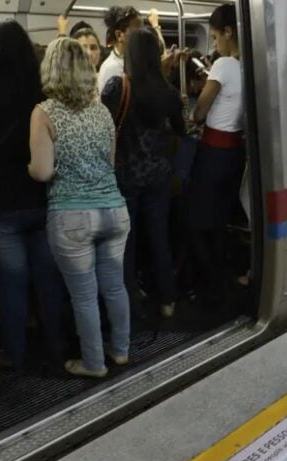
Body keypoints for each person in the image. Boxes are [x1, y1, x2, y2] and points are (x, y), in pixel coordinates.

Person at [0, 18, 68, 369]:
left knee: (11, 284)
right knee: (48, 280)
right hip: (41, 199)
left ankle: (14, 353)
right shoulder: (44, 90)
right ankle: (58, 347)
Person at [29, 38, 130, 378]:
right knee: (115, 287)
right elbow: (110, 163)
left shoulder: (44, 112)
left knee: (84, 297)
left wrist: (29, 168)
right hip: (114, 210)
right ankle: (121, 350)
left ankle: (93, 363)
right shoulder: (102, 111)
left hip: (72, 216)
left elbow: (42, 172)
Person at [102, 28, 184, 320]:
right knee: (159, 237)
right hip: (159, 176)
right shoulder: (169, 92)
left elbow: (103, 129)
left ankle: (130, 304)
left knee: (127, 242)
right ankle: (168, 300)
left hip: (125, 177)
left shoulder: (116, 87)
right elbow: (181, 130)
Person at [185, 4, 245, 307]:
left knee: (194, 220)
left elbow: (200, 111)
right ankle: (222, 276)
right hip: (234, 154)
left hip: (212, 154)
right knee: (220, 220)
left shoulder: (222, 66)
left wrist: (192, 108)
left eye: (215, 36)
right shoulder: (248, 65)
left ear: (228, 32)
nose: (214, 43)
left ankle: (209, 282)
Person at [98, 6, 142, 92]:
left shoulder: (134, 61)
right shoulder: (111, 68)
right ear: (119, 35)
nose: (143, 37)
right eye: (138, 33)